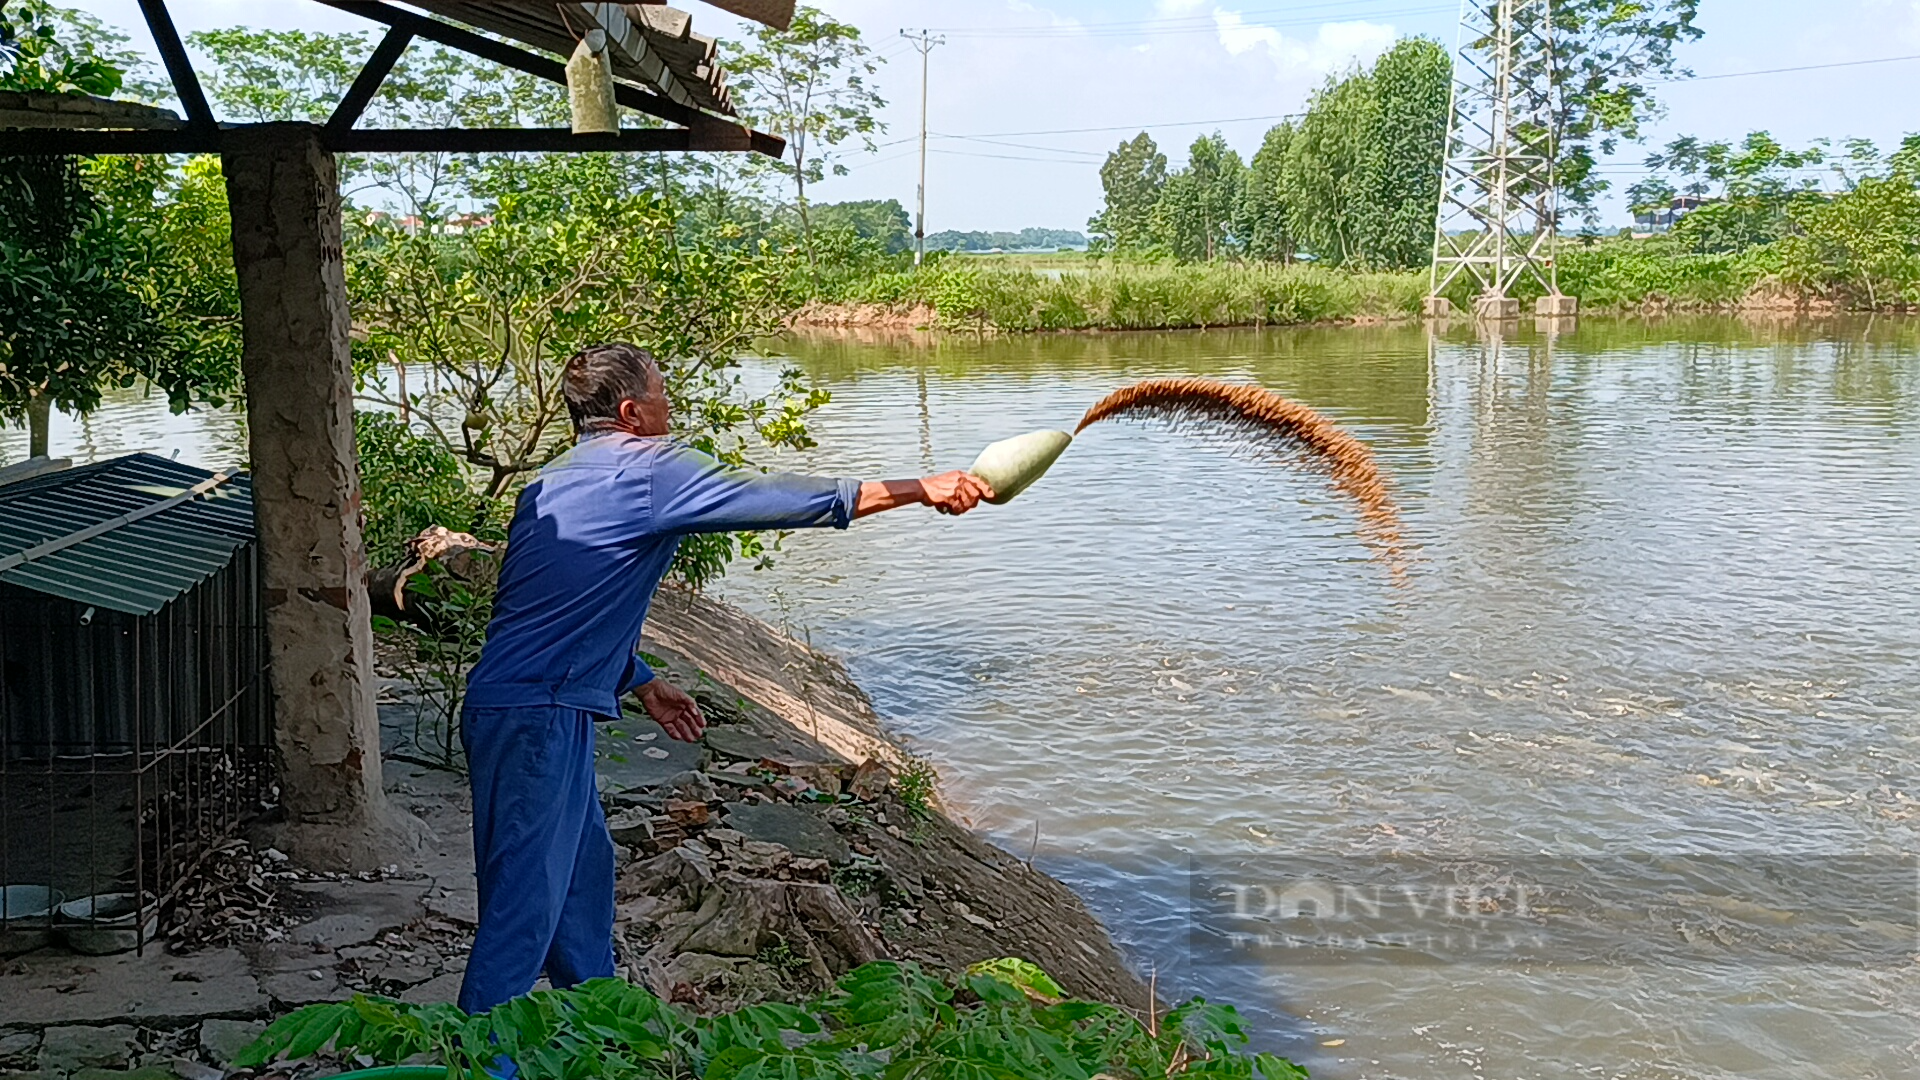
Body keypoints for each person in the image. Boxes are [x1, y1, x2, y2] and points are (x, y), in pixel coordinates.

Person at [455, 342, 993, 1014]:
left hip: (534, 707)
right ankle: (479, 1058)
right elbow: (775, 497)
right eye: (662, 396)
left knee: (579, 890)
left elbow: (555, 606)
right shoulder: (647, 468)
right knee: (522, 912)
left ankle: (601, 1032)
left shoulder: (553, 480)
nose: (670, 408)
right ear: (631, 412)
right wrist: (920, 488)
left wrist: (642, 679)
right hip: (536, 717)